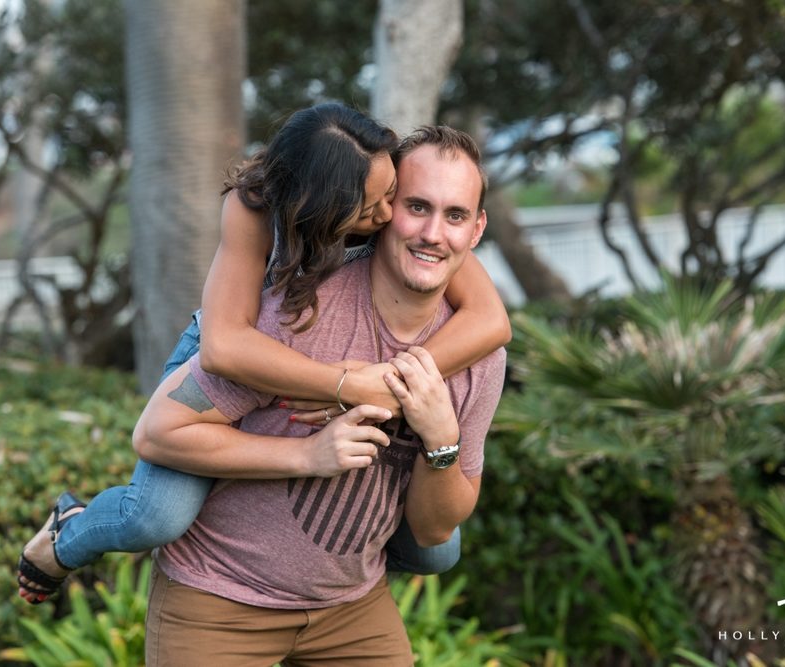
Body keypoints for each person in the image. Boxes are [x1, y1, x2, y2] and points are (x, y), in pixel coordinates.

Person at [16, 104, 511, 604]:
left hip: (311, 341)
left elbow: (492, 320)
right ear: (325, 201)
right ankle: (70, 532)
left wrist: (385, 385)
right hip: (232, 337)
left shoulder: (396, 208)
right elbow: (226, 347)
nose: (387, 218)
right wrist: (342, 385)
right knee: (156, 517)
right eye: (374, 207)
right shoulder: (254, 209)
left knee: (439, 553)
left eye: (393, 198)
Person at [134, 125, 507, 665]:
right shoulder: (295, 313)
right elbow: (159, 428)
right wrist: (315, 441)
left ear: (476, 230)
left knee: (437, 551)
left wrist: (440, 436)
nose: (432, 232)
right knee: (154, 513)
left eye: (454, 216)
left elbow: (431, 529)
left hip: (351, 610)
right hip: (221, 597)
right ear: (380, 213)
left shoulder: (479, 358)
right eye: (416, 206)